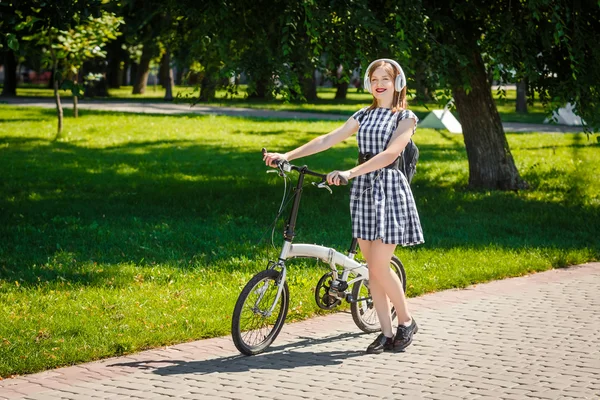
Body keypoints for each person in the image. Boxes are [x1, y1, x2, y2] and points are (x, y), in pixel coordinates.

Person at [263, 59, 424, 354]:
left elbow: (390, 154)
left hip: (389, 190)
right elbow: (328, 139)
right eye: (374, 78)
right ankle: (386, 334)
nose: (379, 84)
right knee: (371, 271)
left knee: (378, 265)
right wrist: (287, 155)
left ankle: (406, 321)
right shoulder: (362, 114)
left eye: (385, 79)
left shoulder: (406, 118)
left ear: (397, 83)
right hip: (364, 191)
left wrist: (350, 173)